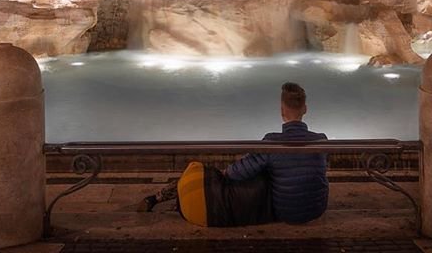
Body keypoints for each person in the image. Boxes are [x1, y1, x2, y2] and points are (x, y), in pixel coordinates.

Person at [138, 82, 329, 226]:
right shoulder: (321, 140)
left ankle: (160, 197)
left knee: (251, 172)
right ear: (305, 109)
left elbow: (238, 173)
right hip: (316, 209)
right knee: (269, 169)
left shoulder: (272, 142)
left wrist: (228, 170)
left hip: (285, 211)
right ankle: (168, 199)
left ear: (281, 111)